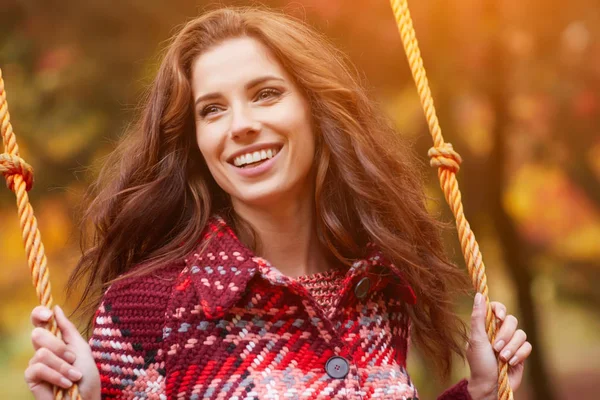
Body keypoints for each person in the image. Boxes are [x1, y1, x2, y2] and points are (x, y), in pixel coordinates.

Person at [24, 7, 532, 400]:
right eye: (213, 109)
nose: (240, 124)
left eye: (266, 94)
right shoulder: (149, 310)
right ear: (197, 142)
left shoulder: (376, 289)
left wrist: (483, 393)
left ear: (316, 111)